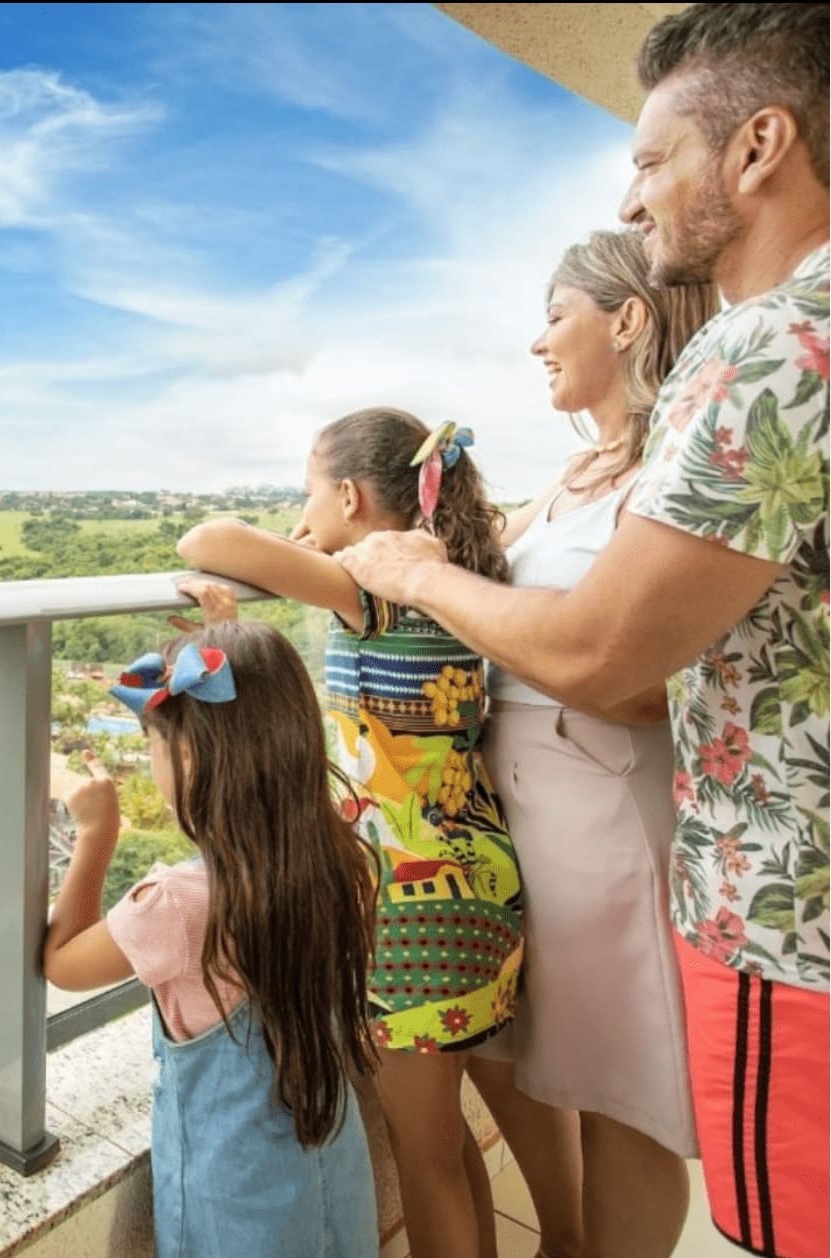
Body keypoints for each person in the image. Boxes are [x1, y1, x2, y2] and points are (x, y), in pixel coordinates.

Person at [335, 6, 828, 1256]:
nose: (630, 193)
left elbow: (610, 659)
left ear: (758, 146)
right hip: (610, 852)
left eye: (652, 159)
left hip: (769, 896)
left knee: (690, 1152)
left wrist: (414, 573)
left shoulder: (771, 347)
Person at [177, 407, 523, 1258]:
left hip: (415, 908)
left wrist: (298, 545)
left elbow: (205, 540)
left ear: (349, 497)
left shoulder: (374, 587)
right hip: (482, 876)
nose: (303, 512)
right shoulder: (453, 578)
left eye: (309, 492)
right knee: (451, 1144)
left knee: (426, 1160)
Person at [462, 226, 717, 1258]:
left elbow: (646, 685)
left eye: (555, 314)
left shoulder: (665, 477)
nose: (538, 341)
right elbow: (471, 577)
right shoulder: (577, 473)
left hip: (599, 811)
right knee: (506, 1047)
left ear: (627, 321)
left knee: (620, 1094)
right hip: (517, 810)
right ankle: (562, 1239)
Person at [42, 621, 380, 1258]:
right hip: (331, 1174)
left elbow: (61, 963)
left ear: (190, 757)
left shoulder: (175, 905)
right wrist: (235, 636)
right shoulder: (339, 857)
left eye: (152, 744)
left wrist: (97, 834)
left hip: (237, 1207)